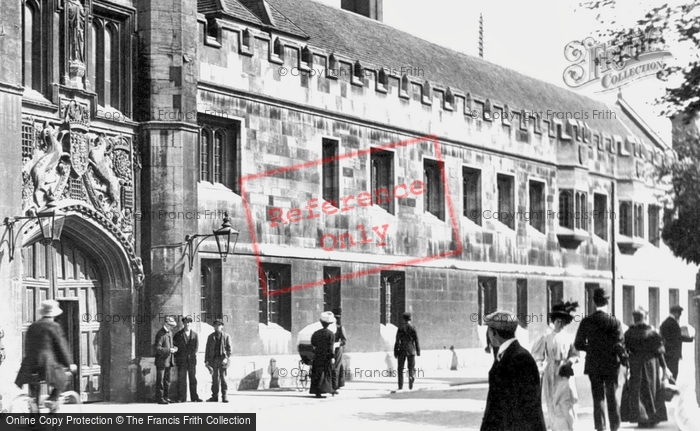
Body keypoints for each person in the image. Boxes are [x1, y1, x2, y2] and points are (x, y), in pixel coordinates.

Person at [480, 310, 546, 431]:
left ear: (493, 333)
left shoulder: (520, 359)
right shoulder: (506, 356)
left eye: (488, 330)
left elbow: (525, 408)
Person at [574, 287, 625, 431]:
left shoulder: (586, 321)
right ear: (607, 302)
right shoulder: (614, 322)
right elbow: (620, 343)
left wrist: (590, 348)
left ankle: (600, 427)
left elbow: (578, 344)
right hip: (611, 364)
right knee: (612, 396)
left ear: (594, 302)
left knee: (598, 398)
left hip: (594, 364)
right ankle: (615, 426)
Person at [15, 300, 78, 411]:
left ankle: (34, 415)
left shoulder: (32, 326)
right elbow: (61, 347)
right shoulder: (54, 326)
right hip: (46, 364)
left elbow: (28, 346)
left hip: (30, 365)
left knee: (34, 387)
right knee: (62, 378)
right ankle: (52, 399)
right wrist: (69, 363)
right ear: (54, 314)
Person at [532, 301, 580, 431]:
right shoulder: (546, 337)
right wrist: (540, 366)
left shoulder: (569, 337)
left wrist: (570, 361)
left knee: (566, 402)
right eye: (557, 320)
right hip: (551, 372)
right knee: (553, 402)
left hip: (564, 372)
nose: (559, 323)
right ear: (553, 321)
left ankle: (569, 427)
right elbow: (538, 355)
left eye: (562, 321)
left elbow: (576, 355)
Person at [620, 307, 669, 427]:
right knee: (652, 389)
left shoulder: (628, 333)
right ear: (645, 318)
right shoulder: (652, 332)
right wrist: (664, 368)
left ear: (635, 319)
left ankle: (641, 417)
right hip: (651, 365)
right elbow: (660, 352)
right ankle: (652, 417)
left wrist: (625, 366)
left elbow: (624, 350)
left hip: (635, 364)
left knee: (637, 391)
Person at [659, 305, 694, 380]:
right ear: (675, 313)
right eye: (679, 313)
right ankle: (671, 390)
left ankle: (668, 389)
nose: (680, 315)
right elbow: (677, 337)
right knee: (673, 374)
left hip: (667, 352)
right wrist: (690, 339)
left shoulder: (665, 322)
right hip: (672, 353)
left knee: (668, 373)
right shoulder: (673, 323)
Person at [174, 316, 202, 402]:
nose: (187, 324)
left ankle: (194, 397)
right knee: (182, 379)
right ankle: (181, 398)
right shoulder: (178, 335)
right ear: (183, 323)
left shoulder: (195, 335)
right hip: (182, 361)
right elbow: (175, 347)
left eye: (189, 322)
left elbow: (196, 348)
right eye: (186, 322)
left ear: (191, 323)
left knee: (193, 379)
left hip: (191, 361)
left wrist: (192, 355)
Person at [310, 311, 336, 398]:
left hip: (318, 355)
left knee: (317, 373)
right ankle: (327, 389)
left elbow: (313, 343)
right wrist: (332, 356)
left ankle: (317, 391)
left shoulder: (316, 333)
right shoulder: (331, 334)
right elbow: (331, 347)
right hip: (326, 356)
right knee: (326, 373)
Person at [205, 320, 232, 403]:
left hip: (222, 360)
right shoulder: (210, 337)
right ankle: (214, 396)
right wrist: (206, 361)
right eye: (216, 325)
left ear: (222, 326)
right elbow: (207, 349)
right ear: (214, 327)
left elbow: (229, 350)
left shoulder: (226, 336)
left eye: (219, 325)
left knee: (223, 378)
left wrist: (226, 358)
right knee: (214, 379)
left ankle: (224, 396)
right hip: (214, 360)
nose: (217, 327)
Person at [154, 315, 178, 404]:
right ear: (166, 324)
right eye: (171, 325)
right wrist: (169, 350)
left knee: (167, 380)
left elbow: (170, 345)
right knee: (160, 381)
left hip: (168, 361)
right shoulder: (160, 334)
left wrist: (174, 348)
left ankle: (166, 397)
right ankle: (160, 398)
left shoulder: (169, 333)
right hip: (161, 361)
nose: (172, 327)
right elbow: (157, 348)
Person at [394, 312, 420, 390]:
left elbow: (397, 341)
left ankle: (400, 385)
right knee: (411, 368)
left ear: (403, 319)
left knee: (400, 368)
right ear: (410, 319)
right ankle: (411, 380)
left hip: (402, 350)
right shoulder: (413, 328)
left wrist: (395, 351)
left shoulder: (400, 328)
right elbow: (416, 340)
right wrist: (418, 350)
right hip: (411, 350)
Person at [332, 307, 347, 394]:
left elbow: (344, 341)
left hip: (337, 350)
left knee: (337, 367)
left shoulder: (340, 328)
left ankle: (335, 386)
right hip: (330, 349)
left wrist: (337, 344)